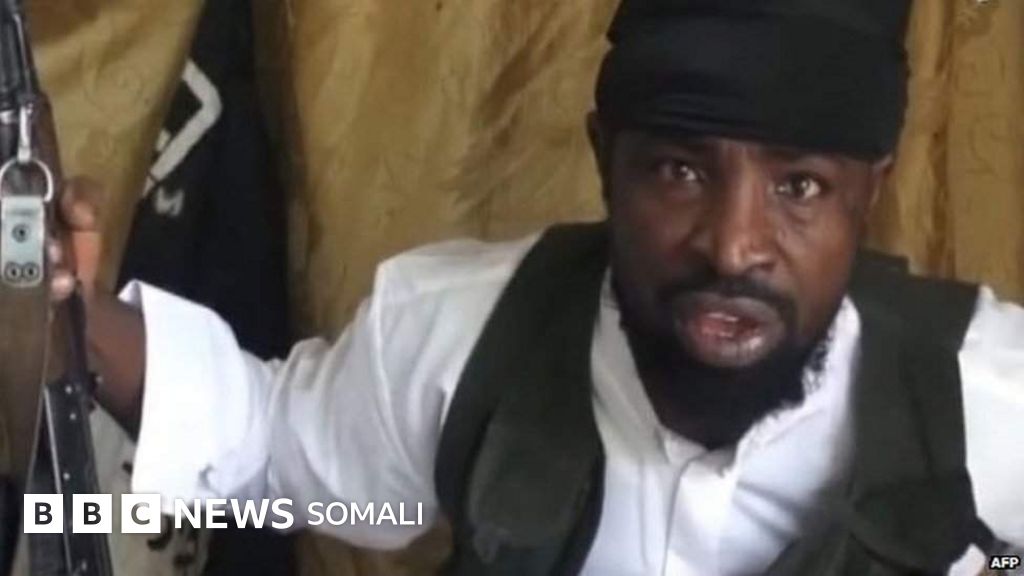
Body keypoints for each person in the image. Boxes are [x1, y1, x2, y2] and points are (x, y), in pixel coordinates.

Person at [50, 0, 1023, 574]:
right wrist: (64, 315)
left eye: (798, 188)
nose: (733, 247)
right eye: (679, 171)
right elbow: (265, 443)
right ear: (605, 160)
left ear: (869, 193)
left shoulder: (992, 402)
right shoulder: (466, 335)